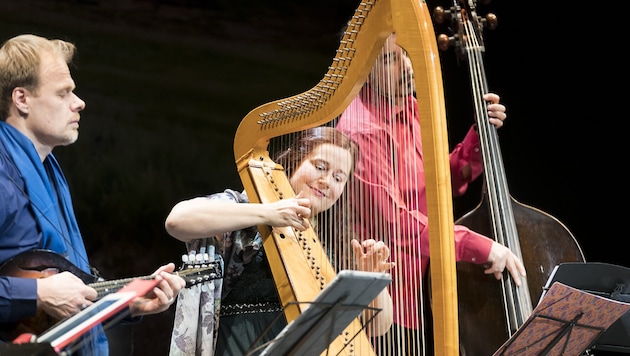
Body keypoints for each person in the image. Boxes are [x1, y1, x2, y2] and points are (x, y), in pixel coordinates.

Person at [335, 33, 528, 354]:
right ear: (362, 71)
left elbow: (438, 185)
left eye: (407, 54)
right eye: (389, 60)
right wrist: (478, 245)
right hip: (384, 304)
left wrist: (478, 138)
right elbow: (397, 222)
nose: (406, 66)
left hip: (422, 290)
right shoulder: (362, 130)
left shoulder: (410, 106)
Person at [0, 34, 186, 355]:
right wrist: (37, 294)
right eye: (63, 93)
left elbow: (54, 306)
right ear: (22, 99)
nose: (79, 102)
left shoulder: (49, 172)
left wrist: (127, 304)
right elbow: (43, 294)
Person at [166, 126, 395, 355]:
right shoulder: (249, 208)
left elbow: (379, 327)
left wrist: (374, 280)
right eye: (320, 167)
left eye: (338, 178)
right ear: (295, 161)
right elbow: (177, 220)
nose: (326, 181)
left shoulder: (333, 243)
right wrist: (268, 213)